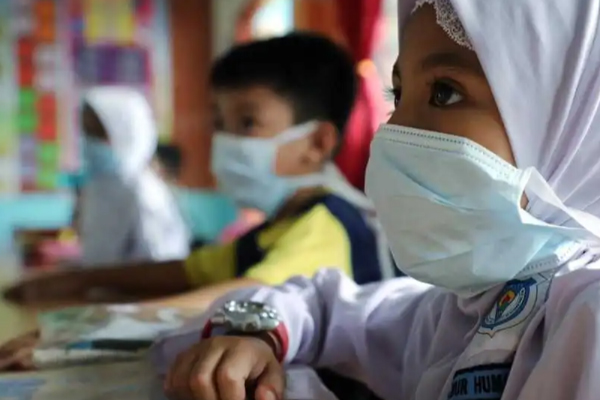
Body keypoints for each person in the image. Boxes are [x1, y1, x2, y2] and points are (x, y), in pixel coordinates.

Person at [151, 1, 600, 400]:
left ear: (568, 121)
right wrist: (258, 333)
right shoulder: (465, 308)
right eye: (397, 95)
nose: (395, 131)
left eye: (444, 92)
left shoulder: (588, 319)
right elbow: (323, 304)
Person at [2, 33, 391, 308]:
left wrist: (87, 324)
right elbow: (189, 272)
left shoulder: (328, 223)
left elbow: (242, 298)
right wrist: (79, 280)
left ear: (317, 143)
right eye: (219, 122)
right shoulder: (279, 226)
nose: (224, 141)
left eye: (247, 123)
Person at [76, 87, 190, 266]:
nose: (90, 143)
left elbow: (161, 266)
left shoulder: (145, 193)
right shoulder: (96, 188)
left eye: (98, 134)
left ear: (126, 134)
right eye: (87, 133)